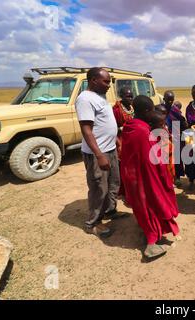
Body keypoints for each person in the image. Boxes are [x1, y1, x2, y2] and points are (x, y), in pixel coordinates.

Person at [120, 95, 180, 258]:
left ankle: (148, 232)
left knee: (142, 208)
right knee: (152, 206)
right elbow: (152, 159)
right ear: (147, 111)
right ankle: (151, 244)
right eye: (152, 110)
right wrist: (164, 176)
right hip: (145, 178)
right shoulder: (142, 131)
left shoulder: (129, 126)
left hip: (132, 176)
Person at [75, 67, 121, 238]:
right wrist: (99, 155)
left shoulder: (100, 96)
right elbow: (86, 129)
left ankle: (109, 211)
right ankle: (92, 223)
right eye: (106, 81)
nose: (109, 85)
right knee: (98, 188)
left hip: (110, 148)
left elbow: (104, 122)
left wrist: (115, 139)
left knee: (114, 184)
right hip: (98, 153)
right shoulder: (85, 99)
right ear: (93, 80)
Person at [112, 86, 134, 201]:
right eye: (127, 96)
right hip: (121, 140)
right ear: (121, 96)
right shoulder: (116, 110)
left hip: (131, 139)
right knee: (123, 166)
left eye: (131, 96)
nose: (130, 98)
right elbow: (112, 126)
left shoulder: (131, 107)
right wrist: (122, 128)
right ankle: (123, 191)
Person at [162, 91, 187, 185]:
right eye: (168, 100)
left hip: (175, 134)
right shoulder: (160, 108)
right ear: (164, 99)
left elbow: (182, 121)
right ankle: (167, 177)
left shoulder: (175, 110)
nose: (170, 102)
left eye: (172, 100)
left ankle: (177, 177)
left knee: (177, 158)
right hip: (163, 135)